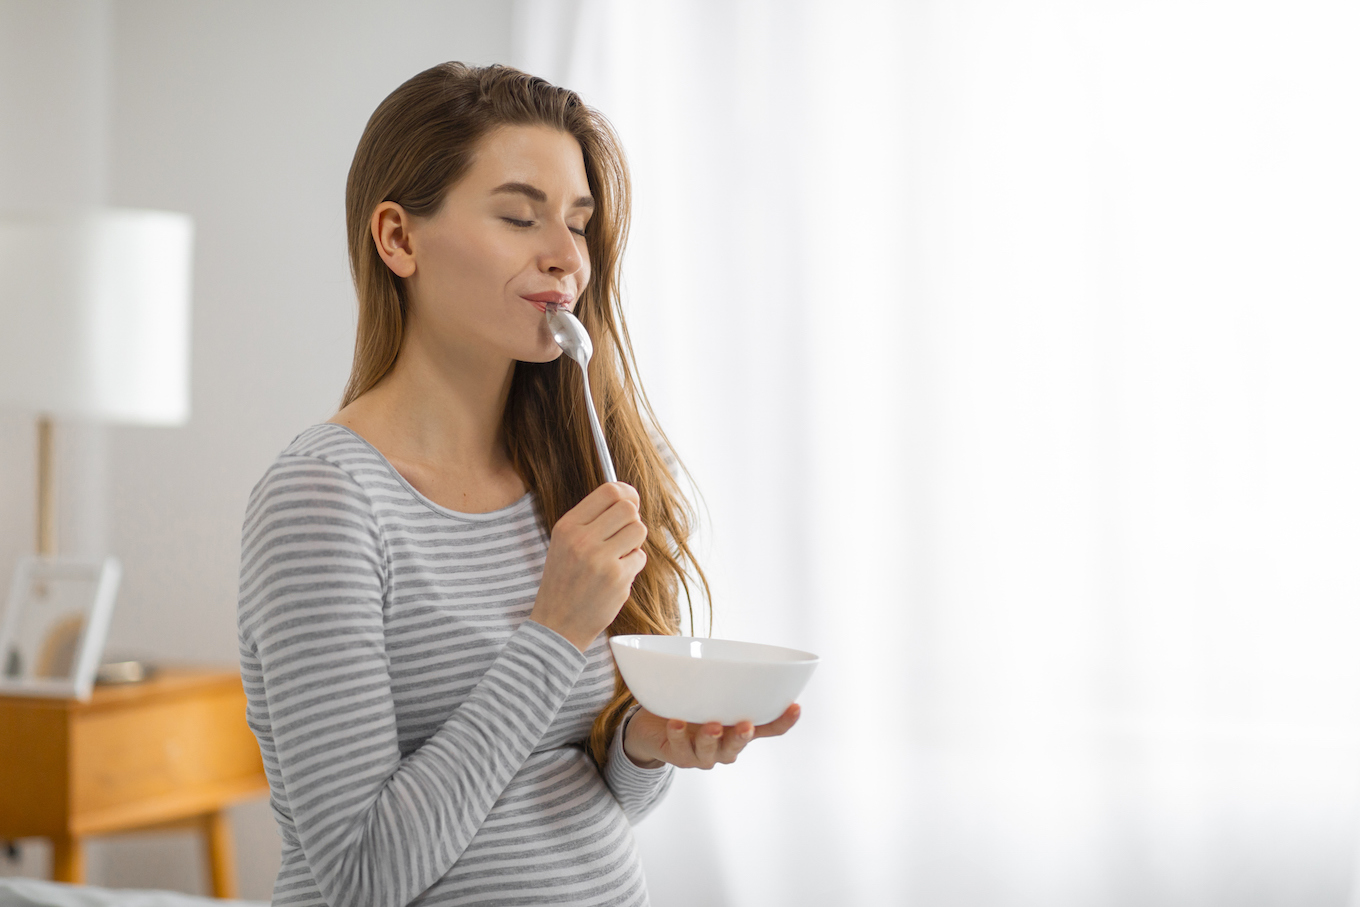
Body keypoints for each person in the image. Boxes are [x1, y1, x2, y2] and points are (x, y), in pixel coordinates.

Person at [237, 62, 800, 907]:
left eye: (579, 223)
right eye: (517, 216)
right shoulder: (323, 501)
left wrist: (643, 744)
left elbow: (574, 796)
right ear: (398, 239)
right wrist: (553, 631)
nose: (566, 256)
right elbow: (361, 876)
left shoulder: (561, 476)